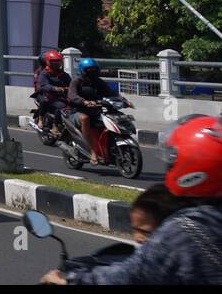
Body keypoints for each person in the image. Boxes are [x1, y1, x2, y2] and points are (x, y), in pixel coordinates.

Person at [44, 115, 222, 284]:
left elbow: (130, 276)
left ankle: (94, 153)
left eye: (174, 160)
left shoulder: (184, 230)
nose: (170, 166)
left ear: (194, 168)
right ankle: (92, 151)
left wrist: (74, 280)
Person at [66, 57, 125, 164]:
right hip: (77, 111)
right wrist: (84, 102)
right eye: (89, 70)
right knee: (85, 118)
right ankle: (93, 151)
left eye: (94, 69)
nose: (92, 72)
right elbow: (72, 96)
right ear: (83, 70)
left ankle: (108, 149)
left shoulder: (98, 81)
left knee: (111, 119)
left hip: (96, 111)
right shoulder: (76, 81)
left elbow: (111, 93)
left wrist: (124, 100)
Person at [33, 49, 70, 136]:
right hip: (45, 94)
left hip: (60, 96)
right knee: (56, 105)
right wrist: (56, 88)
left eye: (58, 62)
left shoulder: (64, 74)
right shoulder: (43, 73)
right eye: (54, 62)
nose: (57, 64)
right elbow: (43, 85)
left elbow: (71, 84)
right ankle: (51, 124)